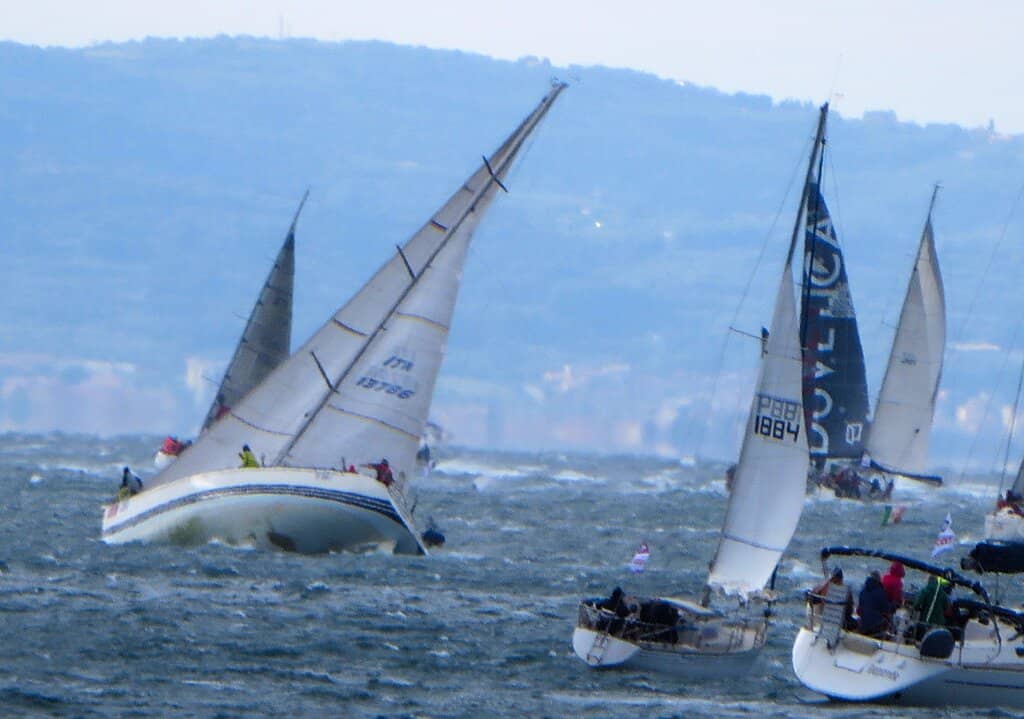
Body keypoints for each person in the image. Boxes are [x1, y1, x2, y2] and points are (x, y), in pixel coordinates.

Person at [857, 571, 890, 637]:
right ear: (879, 580)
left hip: (863, 625)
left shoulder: (862, 591)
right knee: (887, 620)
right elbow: (886, 610)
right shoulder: (881, 592)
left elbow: (859, 610)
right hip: (875, 626)